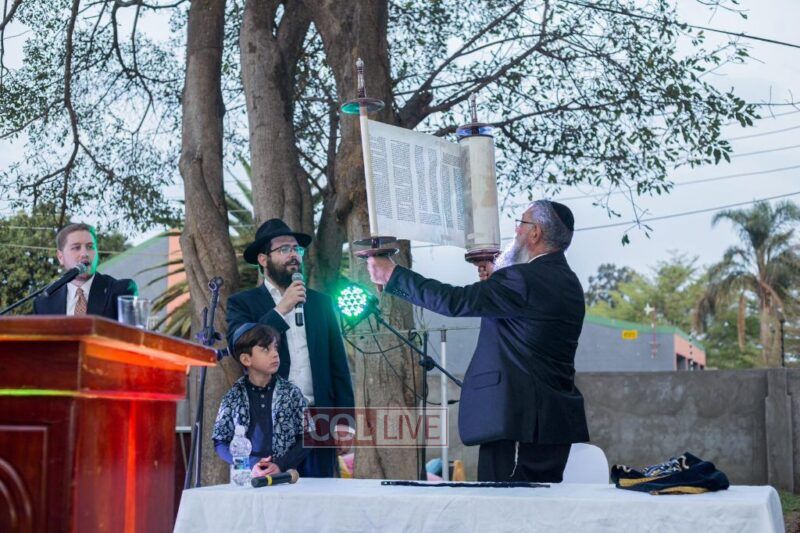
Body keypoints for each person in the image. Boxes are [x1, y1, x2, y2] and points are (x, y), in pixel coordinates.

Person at [367, 200, 589, 482]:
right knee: (541, 503)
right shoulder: (569, 282)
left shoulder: (522, 280)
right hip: (553, 420)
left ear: (535, 233)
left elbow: (455, 301)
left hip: (514, 420)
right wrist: (496, 285)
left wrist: (393, 276)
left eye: (521, 223)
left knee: (499, 503)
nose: (516, 230)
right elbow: (526, 326)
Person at [226, 218, 354, 478]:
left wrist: (344, 421)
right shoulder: (243, 303)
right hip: (269, 423)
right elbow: (242, 346)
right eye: (284, 249)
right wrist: (282, 308)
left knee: (322, 496)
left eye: (297, 249)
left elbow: (338, 366)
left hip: (318, 423)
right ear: (263, 259)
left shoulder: (320, 303)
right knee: (273, 496)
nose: (294, 255)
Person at [212, 323, 309, 476]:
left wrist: (281, 465)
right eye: (266, 349)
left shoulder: (291, 393)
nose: (275, 354)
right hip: (246, 477)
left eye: (275, 347)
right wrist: (250, 464)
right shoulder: (234, 396)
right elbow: (220, 442)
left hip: (284, 476)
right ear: (246, 359)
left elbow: (308, 437)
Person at [33, 222, 137, 319]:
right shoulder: (44, 302)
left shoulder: (120, 290)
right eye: (76, 248)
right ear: (60, 257)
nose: (84, 253)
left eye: (90, 247)